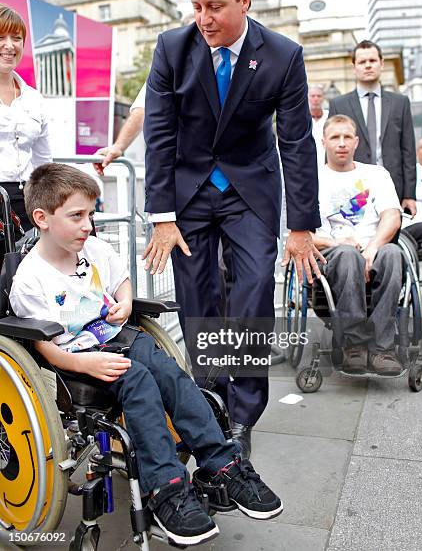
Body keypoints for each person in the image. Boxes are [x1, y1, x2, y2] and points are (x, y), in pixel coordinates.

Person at [9, 163, 283, 547]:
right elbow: (44, 346)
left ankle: (224, 464)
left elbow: (121, 281)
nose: (88, 225)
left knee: (168, 371)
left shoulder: (95, 249)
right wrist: (84, 362)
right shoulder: (30, 279)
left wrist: (123, 302)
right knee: (137, 379)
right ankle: (165, 490)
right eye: (77, 216)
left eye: (91, 214)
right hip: (77, 360)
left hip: (119, 336)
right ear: (42, 218)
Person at [143, 0, 323, 458]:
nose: (203, 19)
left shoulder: (283, 55)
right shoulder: (171, 48)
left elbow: (295, 142)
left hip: (250, 193)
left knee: (251, 297)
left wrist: (302, 225)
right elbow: (159, 136)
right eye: (196, 6)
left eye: (215, 6)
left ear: (245, 0)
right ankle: (208, 408)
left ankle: (243, 418)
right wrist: (161, 216)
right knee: (198, 303)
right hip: (189, 195)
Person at [313, 114, 403, 376]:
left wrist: (372, 247)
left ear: (356, 142)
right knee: (347, 254)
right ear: (324, 142)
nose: (341, 143)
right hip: (332, 252)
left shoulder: (376, 174)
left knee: (393, 253)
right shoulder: (312, 179)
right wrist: (339, 242)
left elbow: (392, 216)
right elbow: (304, 235)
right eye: (335, 137)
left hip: (373, 248)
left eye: (346, 137)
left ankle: (382, 348)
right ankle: (354, 345)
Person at [328, 40, 416, 216]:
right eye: (362, 62)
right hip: (354, 189)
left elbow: (408, 151)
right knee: (357, 237)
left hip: (391, 187)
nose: (368, 65)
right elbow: (332, 149)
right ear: (354, 67)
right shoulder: (339, 104)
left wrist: (409, 195)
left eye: (372, 61)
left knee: (390, 238)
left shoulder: (400, 103)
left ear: (381, 64)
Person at [0, 4, 52, 250]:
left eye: (16, 38)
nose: (9, 45)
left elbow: (44, 163)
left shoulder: (34, 99)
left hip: (26, 200)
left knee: (24, 277)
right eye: (1, 37)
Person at [93, 82, 146, 175]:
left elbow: (142, 109)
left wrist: (118, 146)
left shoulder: (163, 69)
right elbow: (142, 109)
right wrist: (118, 146)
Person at [308, 85, 328, 174]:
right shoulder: (301, 118)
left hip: (327, 165)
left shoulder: (330, 116)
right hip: (308, 166)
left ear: (323, 98)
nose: (316, 99)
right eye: (313, 96)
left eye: (319, 96)